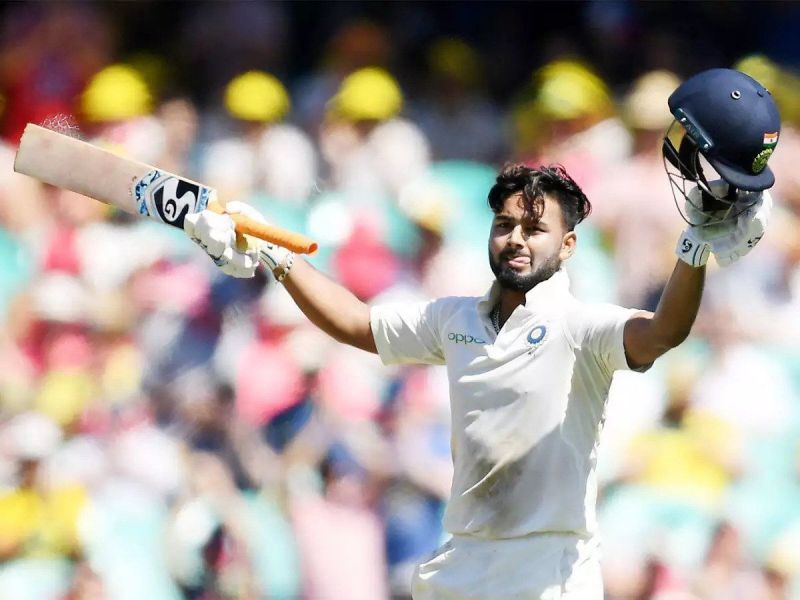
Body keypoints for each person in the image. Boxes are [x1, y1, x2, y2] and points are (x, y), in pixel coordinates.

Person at [182, 68, 778, 599]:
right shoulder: (454, 319)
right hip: (463, 569)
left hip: (552, 575)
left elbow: (663, 333)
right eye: (504, 224)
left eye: (535, 228)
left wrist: (693, 250)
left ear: (568, 246)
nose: (516, 238)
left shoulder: (579, 327)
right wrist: (273, 250)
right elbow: (354, 322)